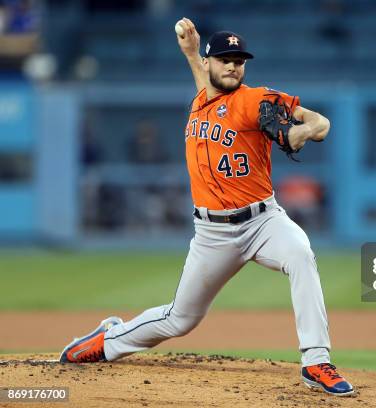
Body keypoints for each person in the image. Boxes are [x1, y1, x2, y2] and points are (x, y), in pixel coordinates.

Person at [59, 18, 354, 397]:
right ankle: (108, 339)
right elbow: (204, 77)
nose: (233, 66)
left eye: (240, 60)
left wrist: (303, 130)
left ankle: (316, 361)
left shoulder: (255, 99)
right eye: (226, 59)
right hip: (212, 233)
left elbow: (321, 121)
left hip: (263, 221)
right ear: (211, 63)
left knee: (300, 253)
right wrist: (190, 52)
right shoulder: (203, 97)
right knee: (180, 319)